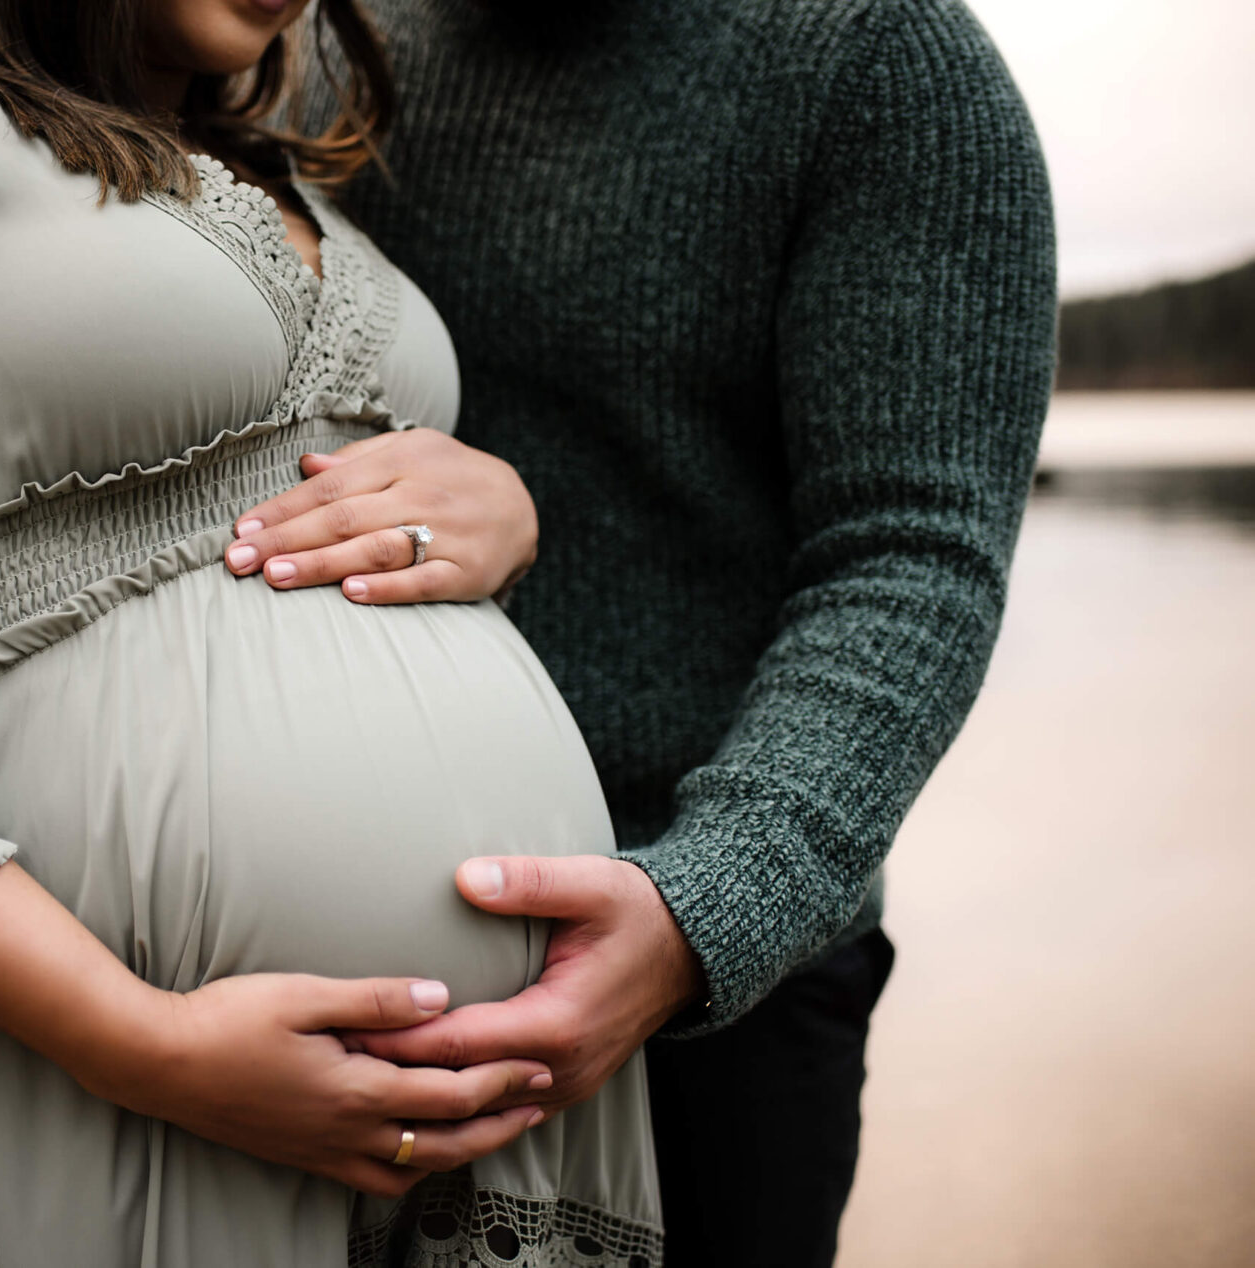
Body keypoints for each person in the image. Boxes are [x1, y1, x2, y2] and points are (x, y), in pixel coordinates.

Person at [0, 0, 667, 1264]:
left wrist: (505, 508)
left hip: (503, 1123)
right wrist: (138, 1041)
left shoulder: (270, 153)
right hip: (110, 1075)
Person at [224, 1, 1055, 1263]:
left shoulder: (882, 61)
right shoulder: (312, 43)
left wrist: (702, 911)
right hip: (322, 961)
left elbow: (910, 553)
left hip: (715, 984)